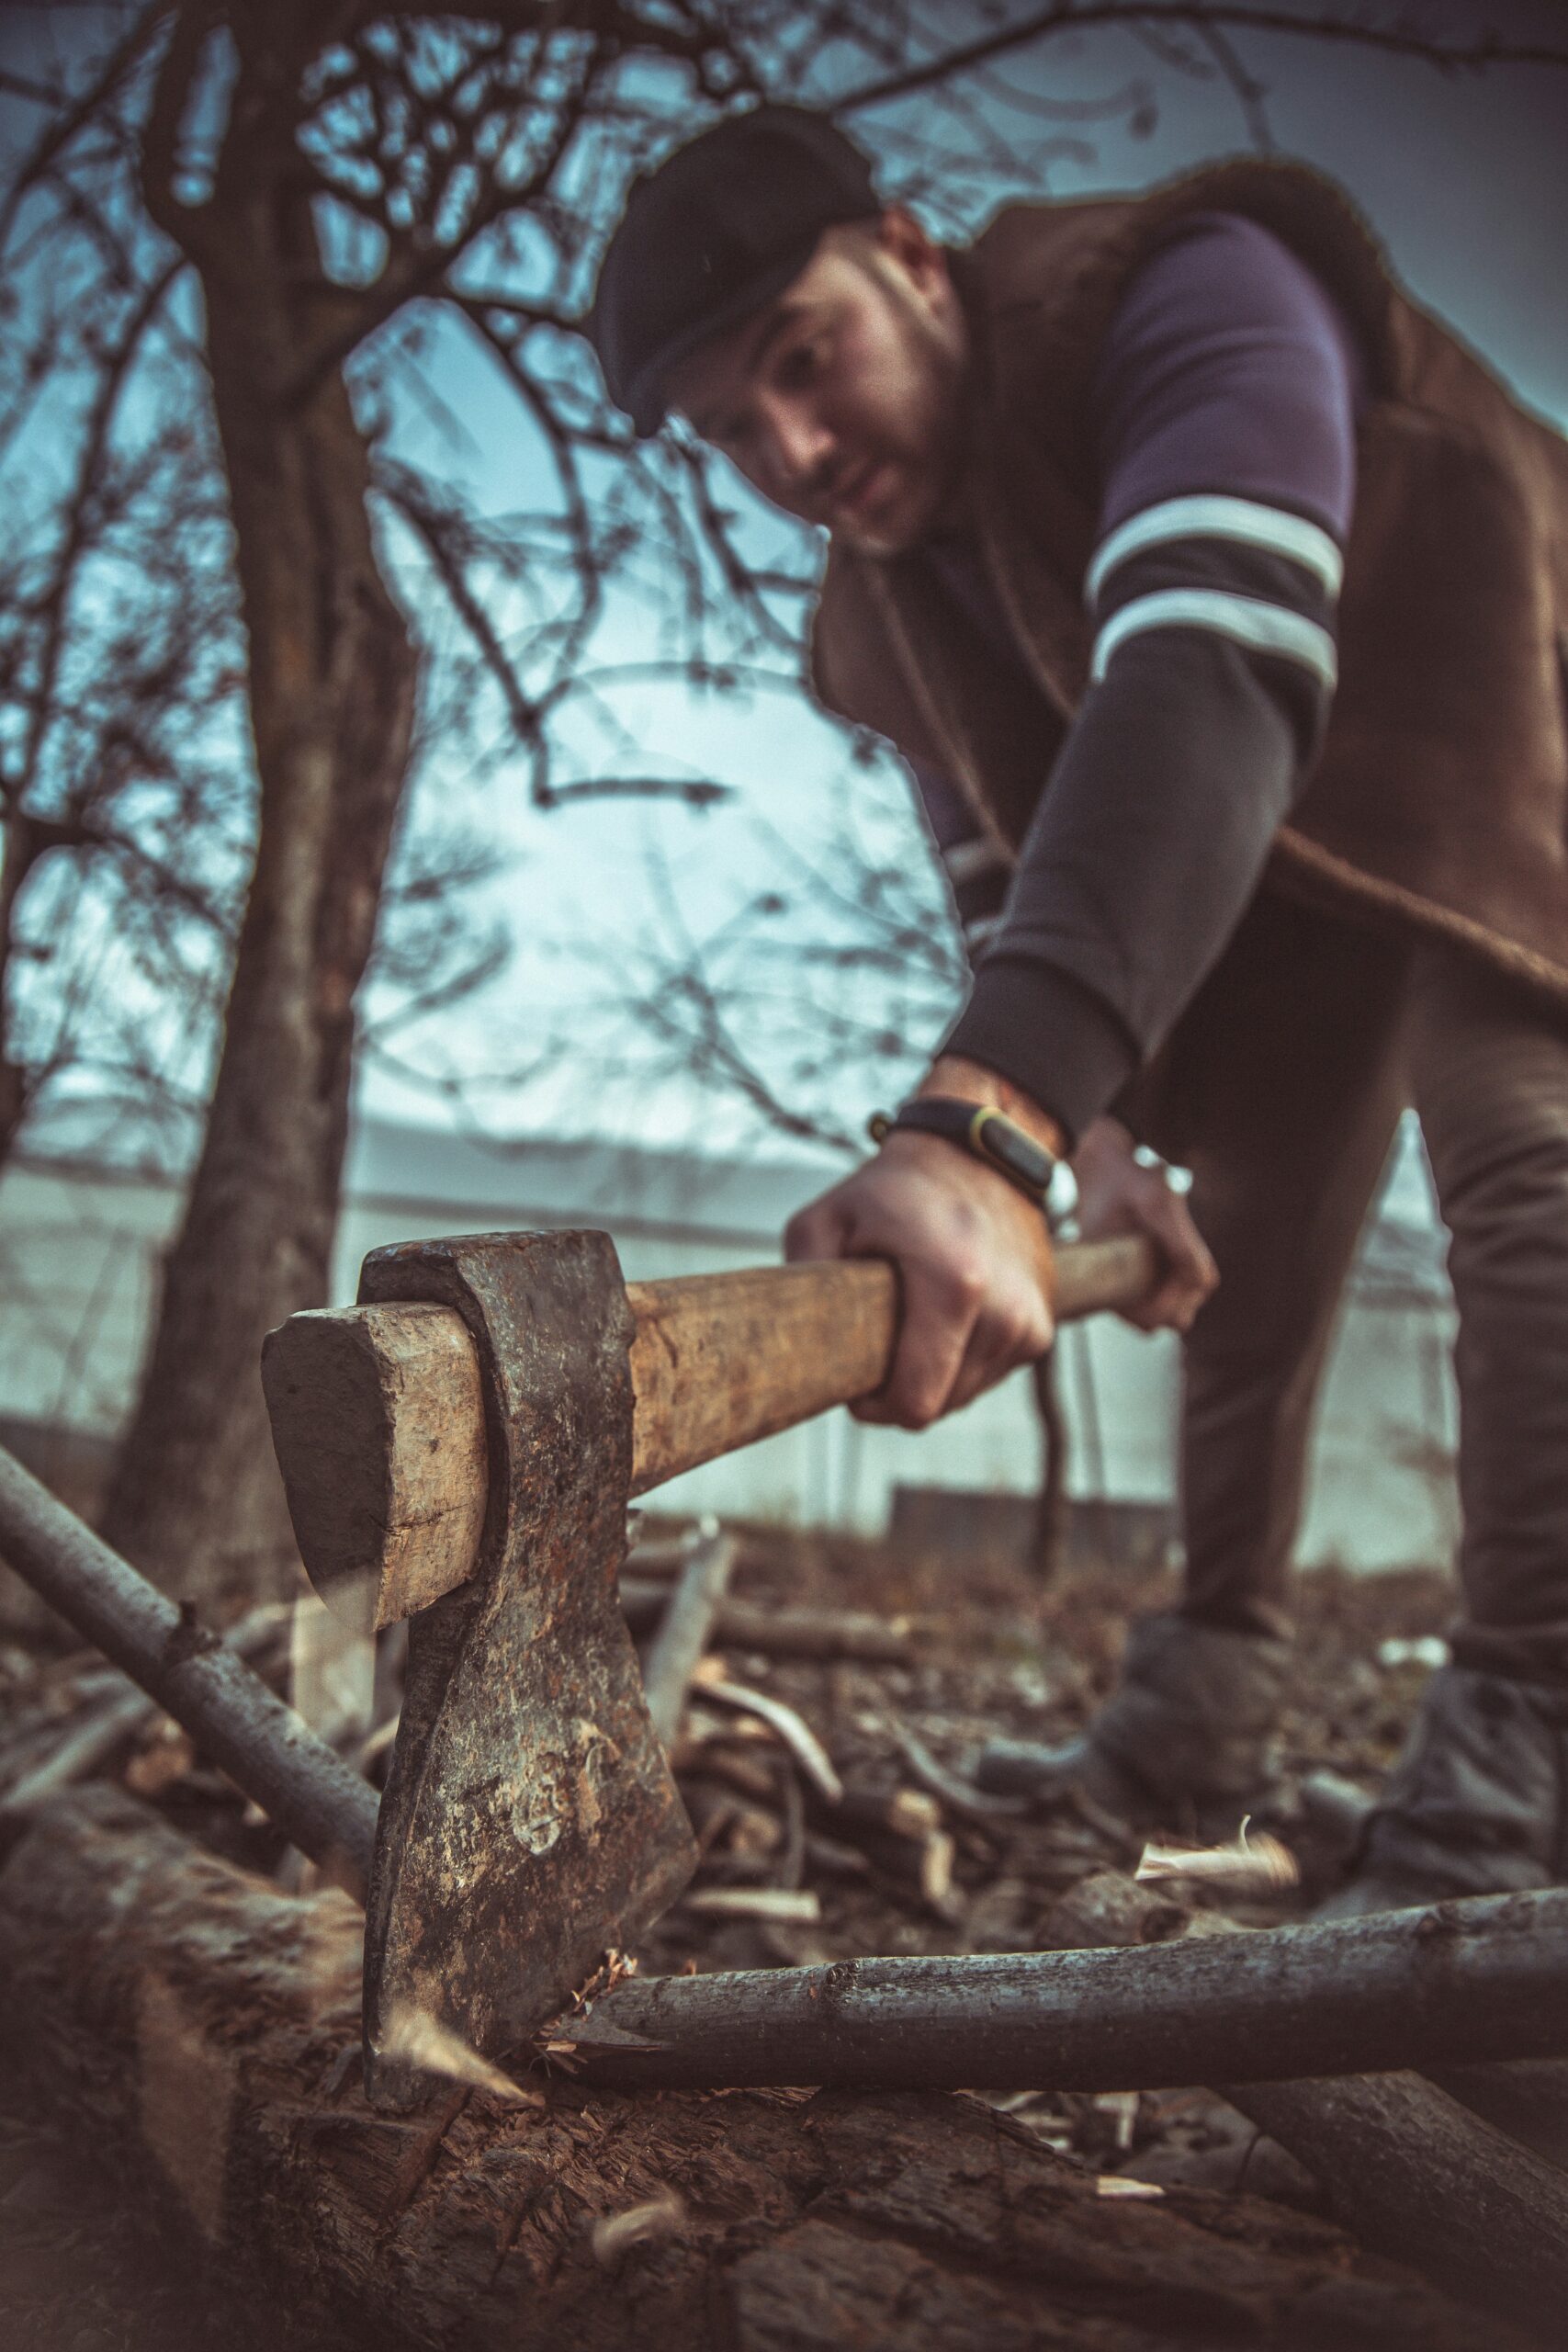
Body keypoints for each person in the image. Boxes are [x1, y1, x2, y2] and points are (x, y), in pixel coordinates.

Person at [589, 106, 1568, 1912]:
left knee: (1521, 1150)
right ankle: (1200, 1701)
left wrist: (978, 1134)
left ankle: (1521, 1754)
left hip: (1497, 704)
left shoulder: (1187, 291)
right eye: (733, 431)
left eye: (807, 365)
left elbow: (1209, 665)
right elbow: (1007, 880)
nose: (793, 450)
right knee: (1241, 1249)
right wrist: (1087, 1141)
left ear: (907, 249)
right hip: (1279, 847)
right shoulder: (886, 597)